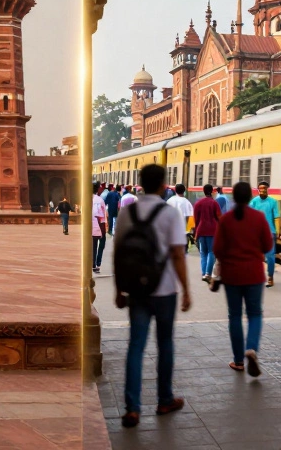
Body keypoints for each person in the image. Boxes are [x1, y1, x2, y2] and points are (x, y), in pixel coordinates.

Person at [117, 163, 190, 428]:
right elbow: (178, 254)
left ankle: (132, 408)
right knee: (165, 344)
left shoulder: (127, 212)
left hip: (136, 290)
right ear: (163, 184)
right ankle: (164, 400)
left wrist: (118, 290)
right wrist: (187, 290)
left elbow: (118, 254)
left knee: (135, 346)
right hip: (164, 290)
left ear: (140, 183)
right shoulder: (169, 213)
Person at [213, 182, 274, 377]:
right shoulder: (259, 217)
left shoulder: (226, 219)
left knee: (235, 316)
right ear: (250, 197)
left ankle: (238, 361)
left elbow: (217, 249)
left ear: (233, 197)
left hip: (232, 275)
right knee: (255, 314)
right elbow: (267, 245)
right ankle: (251, 349)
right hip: (254, 274)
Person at [249, 182, 281, 287]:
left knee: (270, 257)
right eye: (260, 189)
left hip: (270, 233)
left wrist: (278, 230)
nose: (262, 191)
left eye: (264, 189)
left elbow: (277, 217)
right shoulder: (254, 202)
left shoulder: (273, 202)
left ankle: (270, 277)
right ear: (258, 190)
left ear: (268, 189)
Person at [193, 185, 221, 282]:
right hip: (212, 230)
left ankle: (204, 273)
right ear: (212, 191)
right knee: (211, 252)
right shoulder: (214, 203)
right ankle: (208, 274)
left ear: (203, 191)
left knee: (203, 253)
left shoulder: (198, 203)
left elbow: (196, 219)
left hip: (201, 230)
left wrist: (196, 232)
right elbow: (219, 217)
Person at [166, 184, 192, 252]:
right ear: (184, 191)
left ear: (175, 190)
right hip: (182, 233)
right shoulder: (187, 202)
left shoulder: (169, 201)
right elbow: (189, 217)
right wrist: (189, 230)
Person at [91, 183, 108, 273]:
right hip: (98, 227)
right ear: (97, 189)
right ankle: (96, 264)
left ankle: (93, 263)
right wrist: (104, 230)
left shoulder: (86, 199)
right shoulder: (99, 200)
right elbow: (101, 217)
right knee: (99, 246)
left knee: (92, 247)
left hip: (89, 228)